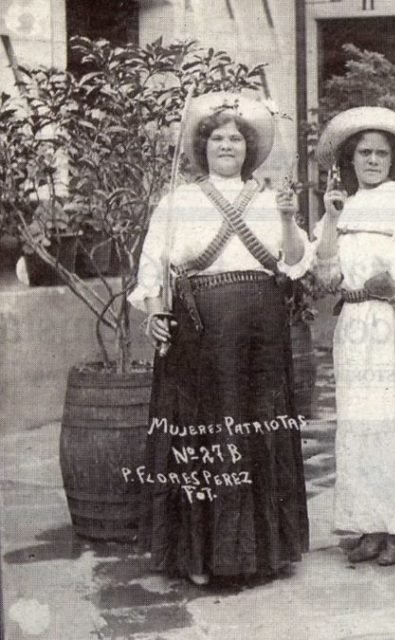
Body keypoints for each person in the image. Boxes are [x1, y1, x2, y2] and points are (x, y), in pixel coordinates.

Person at [130, 91, 312, 586]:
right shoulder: (178, 201)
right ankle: (200, 555)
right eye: (217, 138)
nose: (227, 145)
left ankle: (264, 553)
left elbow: (295, 263)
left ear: (249, 148)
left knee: (259, 428)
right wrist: (156, 313)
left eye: (235, 138)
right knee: (204, 432)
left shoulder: (271, 200)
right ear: (202, 146)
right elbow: (154, 269)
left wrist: (289, 218)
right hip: (200, 330)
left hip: (262, 331)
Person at [311, 106, 395, 566]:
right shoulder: (340, 206)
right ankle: (369, 525)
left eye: (380, 154)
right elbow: (326, 277)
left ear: (393, 159)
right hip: (355, 326)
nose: (371, 160)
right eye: (363, 153)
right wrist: (330, 219)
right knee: (360, 425)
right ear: (350, 159)